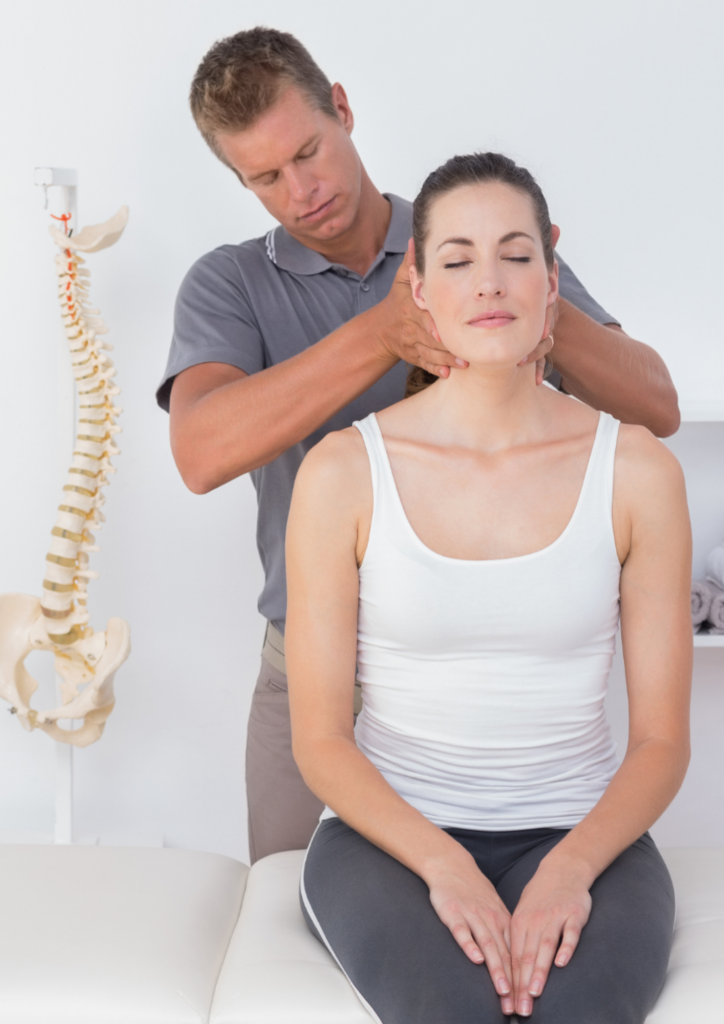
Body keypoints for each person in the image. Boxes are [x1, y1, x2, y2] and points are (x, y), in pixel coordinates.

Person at [157, 27, 681, 863]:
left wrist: (511, 288)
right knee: (291, 946)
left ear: (344, 110)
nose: (301, 191)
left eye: (308, 152)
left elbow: (655, 405)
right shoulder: (230, 283)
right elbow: (200, 453)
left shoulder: (472, 240)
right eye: (265, 178)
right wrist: (383, 332)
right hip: (309, 674)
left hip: (477, 672)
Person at [285, 153, 692, 1023]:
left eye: (515, 253)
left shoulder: (638, 470)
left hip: (583, 835)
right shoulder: (345, 471)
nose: (491, 282)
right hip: (387, 842)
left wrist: (572, 868)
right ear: (419, 286)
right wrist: (443, 864)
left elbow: (661, 742)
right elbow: (321, 740)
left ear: (553, 272)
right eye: (459, 259)